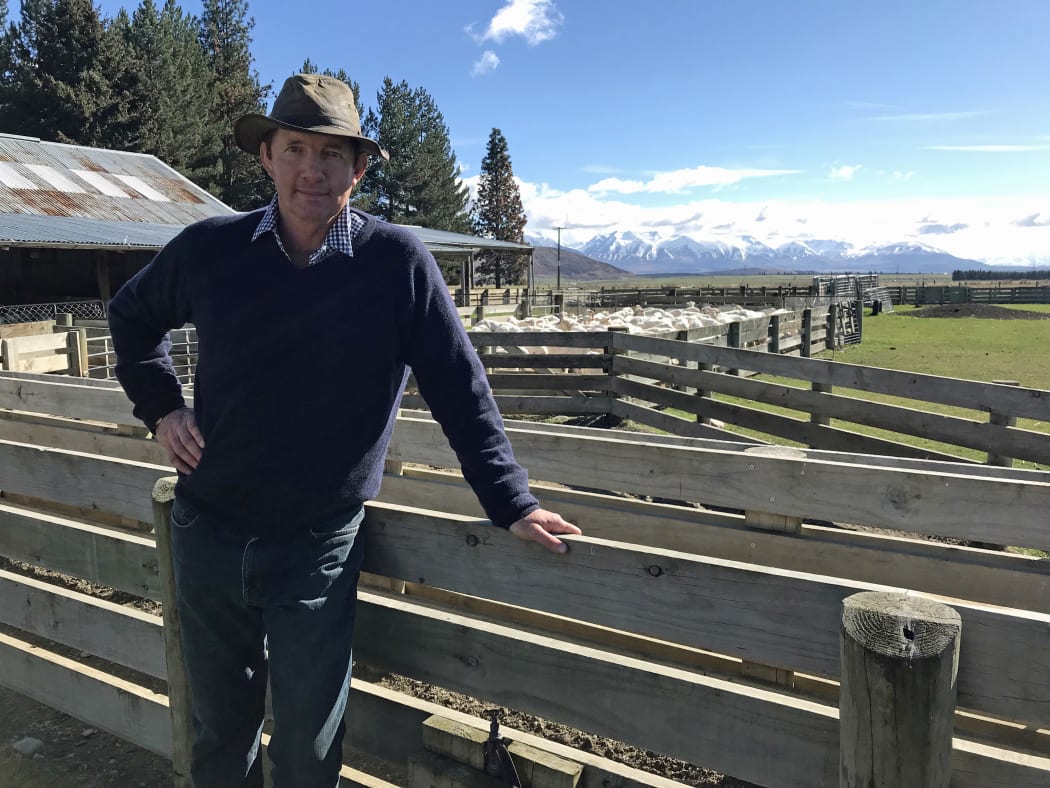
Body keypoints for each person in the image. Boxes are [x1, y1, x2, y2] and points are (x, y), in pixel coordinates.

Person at [108, 73, 581, 788]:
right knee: (218, 734)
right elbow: (132, 317)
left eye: (332, 154)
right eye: (296, 147)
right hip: (207, 530)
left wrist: (509, 499)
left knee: (307, 746)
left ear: (358, 170)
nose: (312, 169)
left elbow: (458, 384)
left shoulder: (395, 264)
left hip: (316, 544)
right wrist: (163, 407)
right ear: (266, 155)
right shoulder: (211, 250)